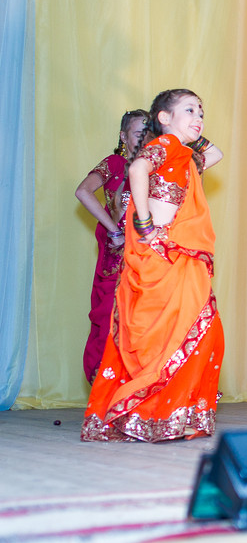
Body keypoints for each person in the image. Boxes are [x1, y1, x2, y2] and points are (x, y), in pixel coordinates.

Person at [82, 89, 224, 442]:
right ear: (163, 118)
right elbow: (138, 168)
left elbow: (216, 154)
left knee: (198, 331)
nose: (198, 117)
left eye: (202, 112)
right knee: (162, 335)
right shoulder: (165, 147)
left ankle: (167, 414)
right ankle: (145, 413)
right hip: (160, 253)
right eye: (189, 110)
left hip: (180, 255)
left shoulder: (185, 154)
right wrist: (144, 222)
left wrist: (191, 130)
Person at [76, 109, 148, 383]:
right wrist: (113, 229)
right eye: (138, 132)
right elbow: (83, 191)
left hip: (147, 256)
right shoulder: (116, 164)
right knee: (111, 318)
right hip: (119, 259)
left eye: (149, 132)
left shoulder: (156, 167)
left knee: (147, 320)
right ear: (123, 136)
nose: (144, 138)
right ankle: (110, 388)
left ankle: (142, 390)